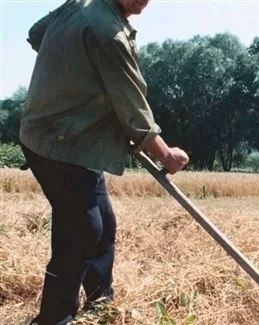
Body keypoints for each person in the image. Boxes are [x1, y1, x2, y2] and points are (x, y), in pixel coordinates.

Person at [19, 0, 189, 324]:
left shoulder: (82, 5)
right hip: (56, 144)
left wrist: (79, 76)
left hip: (78, 141)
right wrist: (166, 154)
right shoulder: (107, 33)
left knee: (103, 225)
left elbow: (36, 34)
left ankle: (100, 305)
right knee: (83, 229)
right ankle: (54, 318)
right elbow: (133, 108)